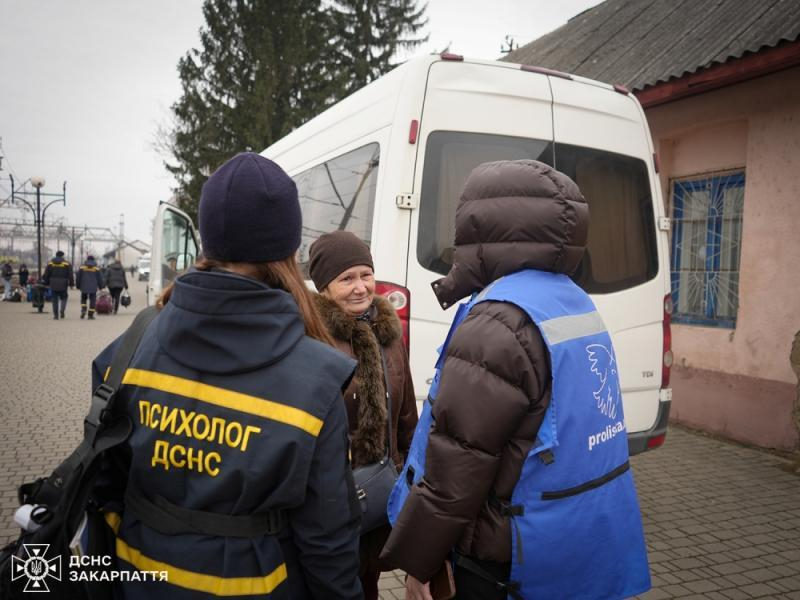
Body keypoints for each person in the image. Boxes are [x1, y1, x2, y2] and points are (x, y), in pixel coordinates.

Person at [91, 152, 362, 599]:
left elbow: (105, 485)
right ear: (289, 251)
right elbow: (327, 541)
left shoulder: (131, 345)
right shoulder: (316, 380)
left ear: (207, 240)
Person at [381, 160, 650, 600]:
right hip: (577, 538)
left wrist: (419, 561)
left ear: (481, 229)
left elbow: (460, 460)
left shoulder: (499, 321)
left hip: (506, 554)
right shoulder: (573, 300)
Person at [308, 231, 418, 600]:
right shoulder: (312, 338)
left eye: (365, 275)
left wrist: (409, 473)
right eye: (347, 278)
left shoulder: (389, 335)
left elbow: (407, 417)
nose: (360, 287)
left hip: (382, 494)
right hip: (333, 503)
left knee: (369, 582)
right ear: (324, 286)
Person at [41, 250, 74, 319]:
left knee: (54, 300)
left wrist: (46, 282)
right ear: (62, 256)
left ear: (56, 255)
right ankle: (62, 310)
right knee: (64, 298)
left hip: (53, 284)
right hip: (63, 283)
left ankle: (56, 315)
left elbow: (46, 274)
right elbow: (70, 275)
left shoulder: (50, 263)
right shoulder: (67, 264)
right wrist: (71, 284)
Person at [76, 255, 105, 320]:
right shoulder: (96, 268)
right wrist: (101, 286)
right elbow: (100, 278)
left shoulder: (82, 267)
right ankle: (90, 315)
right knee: (93, 300)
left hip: (83, 286)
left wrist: (78, 285)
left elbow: (78, 277)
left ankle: (83, 309)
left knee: (83, 298)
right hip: (93, 286)